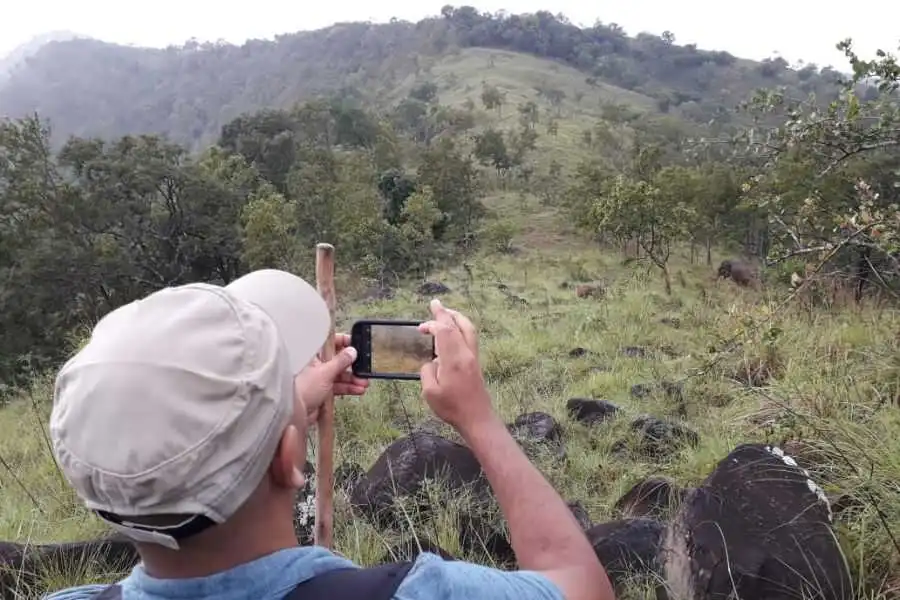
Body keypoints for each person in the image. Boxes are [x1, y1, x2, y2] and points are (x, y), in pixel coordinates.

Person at [43, 269, 615, 600]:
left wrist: (286, 410)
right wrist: (479, 419)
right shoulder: (419, 592)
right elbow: (581, 584)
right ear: (292, 458)